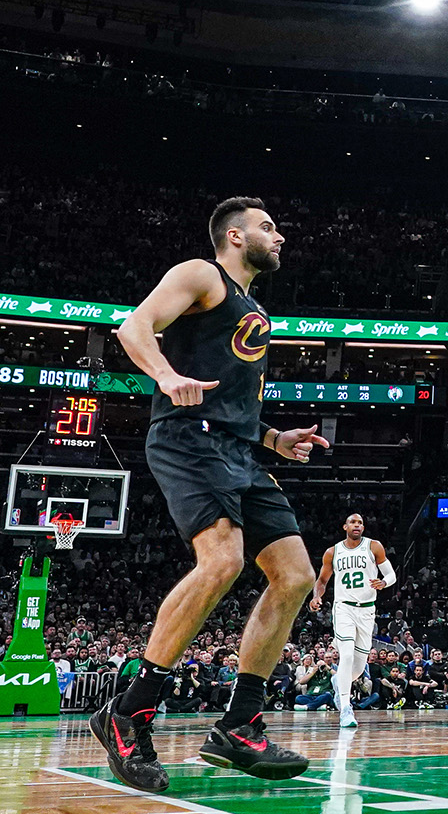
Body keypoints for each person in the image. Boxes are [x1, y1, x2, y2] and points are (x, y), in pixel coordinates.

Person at [91, 197, 325, 792]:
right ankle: (129, 712)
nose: (281, 236)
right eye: (268, 227)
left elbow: (235, 404)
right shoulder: (202, 273)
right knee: (222, 560)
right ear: (234, 236)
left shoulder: (255, 309)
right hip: (186, 437)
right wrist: (166, 377)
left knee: (296, 575)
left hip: (239, 450)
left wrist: (273, 438)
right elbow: (133, 327)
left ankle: (240, 724)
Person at [308, 513, 394, 730]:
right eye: (353, 522)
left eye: (360, 523)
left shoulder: (374, 547)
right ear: (345, 526)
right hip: (343, 608)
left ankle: (339, 683)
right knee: (345, 654)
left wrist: (384, 583)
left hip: (366, 611)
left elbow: (391, 574)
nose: (357, 525)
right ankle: (345, 708)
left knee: (356, 669)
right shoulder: (333, 552)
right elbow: (322, 580)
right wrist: (317, 596)